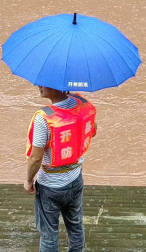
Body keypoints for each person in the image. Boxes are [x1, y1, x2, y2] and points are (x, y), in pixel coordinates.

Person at [25, 85, 98, 252]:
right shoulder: (82, 104)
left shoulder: (44, 118)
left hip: (50, 186)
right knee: (76, 227)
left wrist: (29, 180)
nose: (39, 87)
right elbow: (92, 131)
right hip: (75, 178)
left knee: (49, 234)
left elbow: (35, 158)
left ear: (56, 86)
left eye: (43, 83)